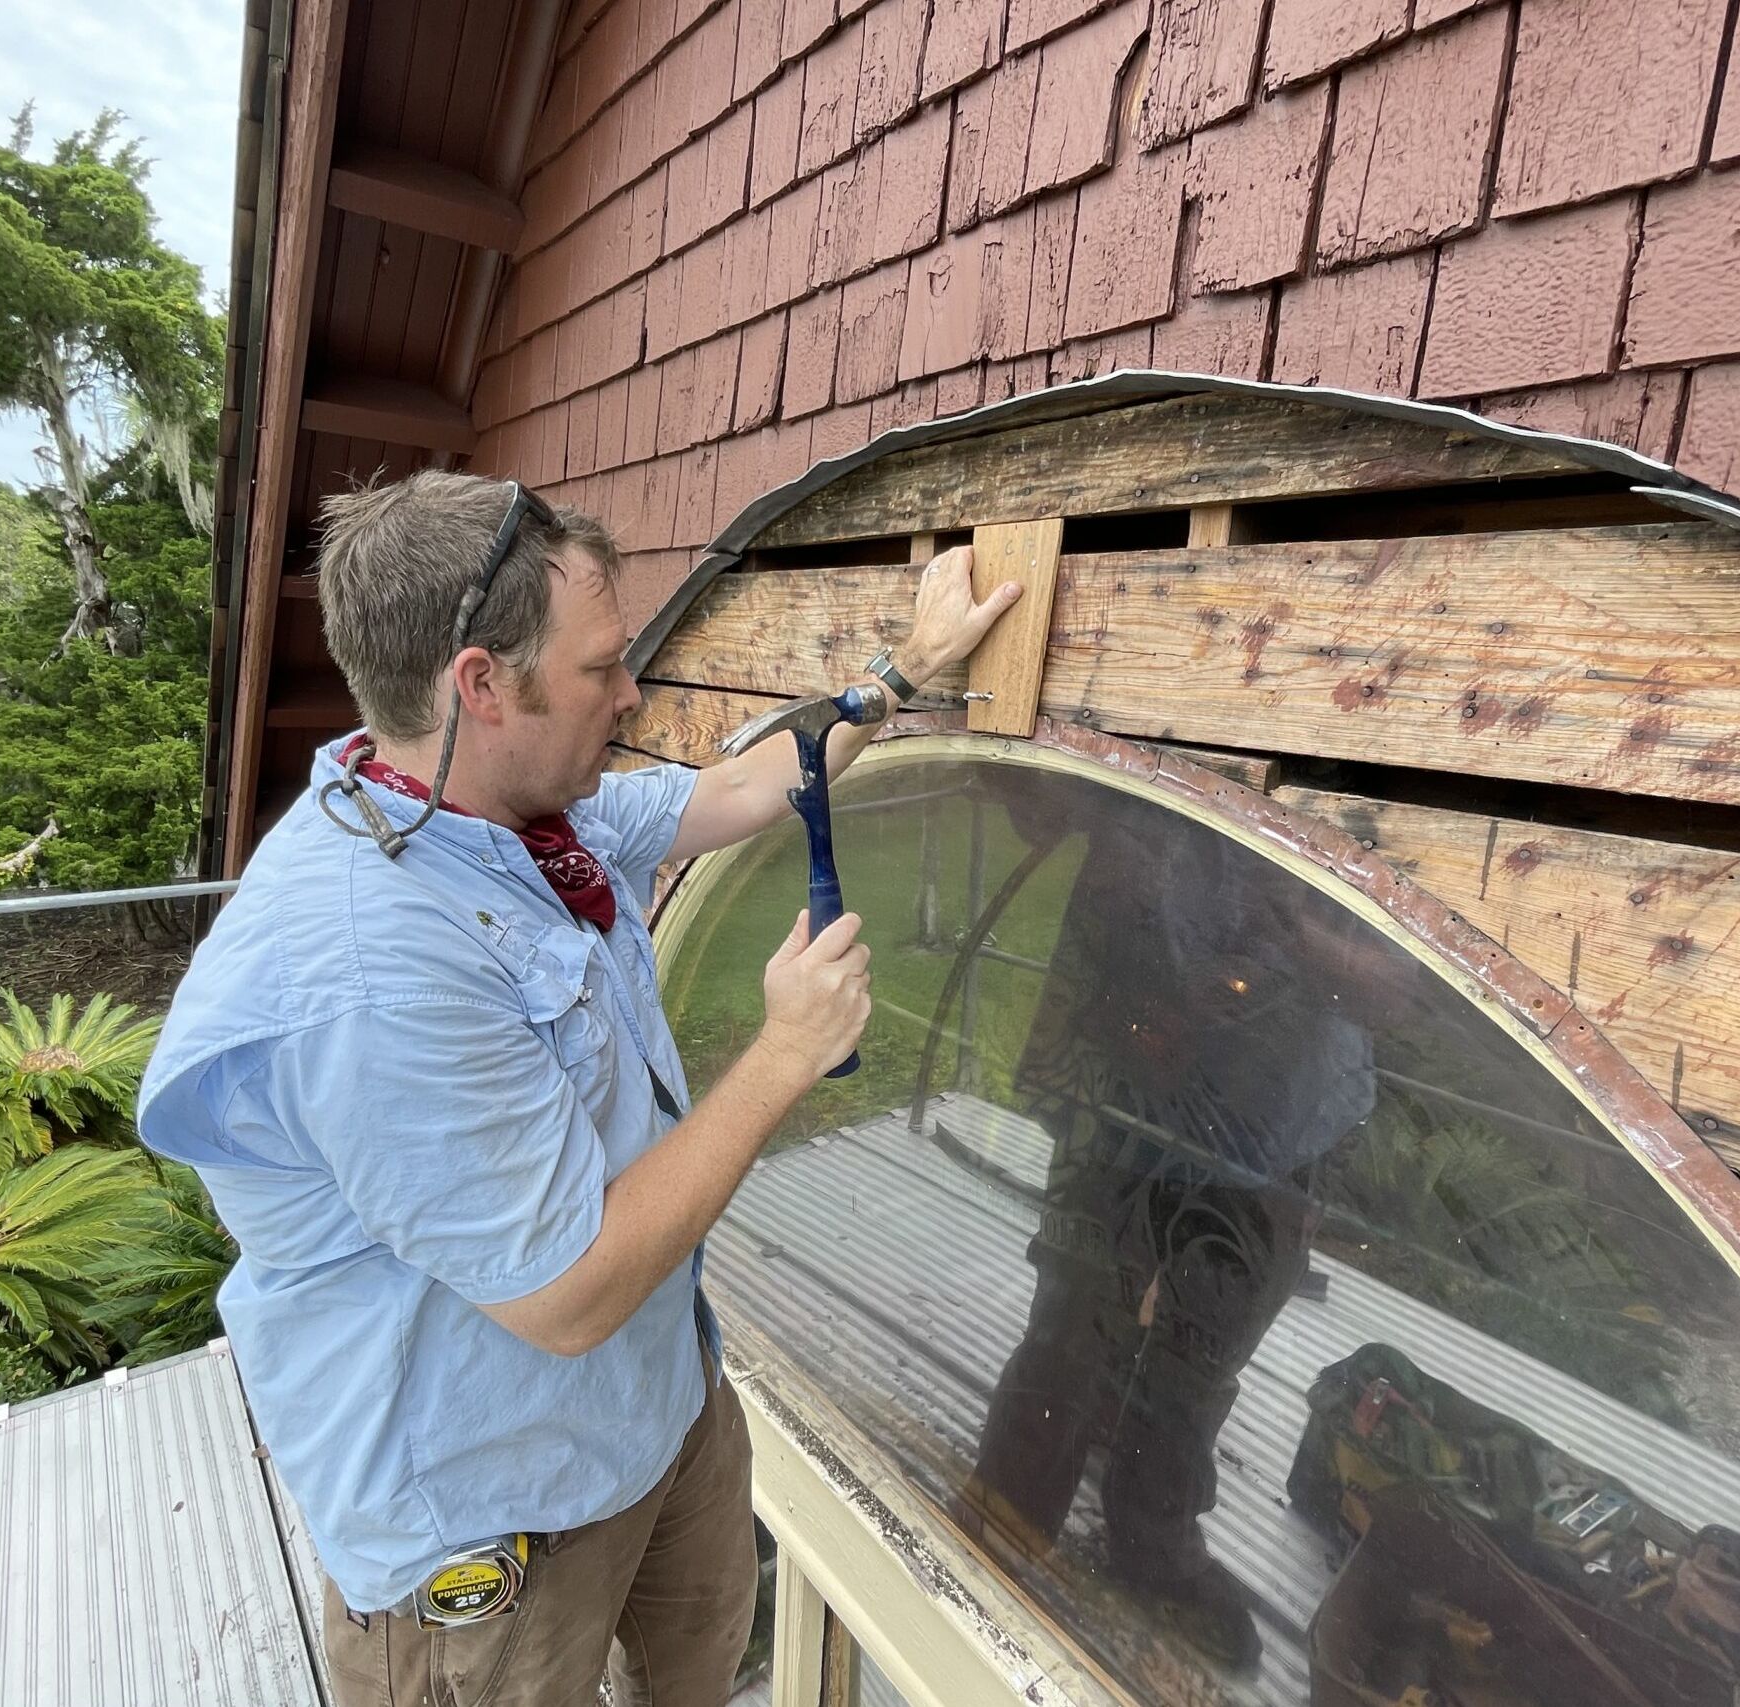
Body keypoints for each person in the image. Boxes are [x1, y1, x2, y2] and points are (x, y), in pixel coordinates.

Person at [137, 470, 1019, 1707]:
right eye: (602, 666)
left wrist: (904, 673)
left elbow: (738, 788)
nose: (632, 693)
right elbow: (567, 1295)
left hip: (656, 1408)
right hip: (496, 1509)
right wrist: (785, 1053)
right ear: (481, 685)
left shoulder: (517, 816)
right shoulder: (368, 973)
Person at [955, 779, 1377, 1672]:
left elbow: (1404, 991)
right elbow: (1036, 806)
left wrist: (1300, 931)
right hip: (1129, 1062)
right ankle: (1003, 1519)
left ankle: (1153, 1538)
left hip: (1282, 1106)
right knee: (1073, 1312)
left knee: (1205, 1341)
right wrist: (1120, 840)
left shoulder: (1367, 795)